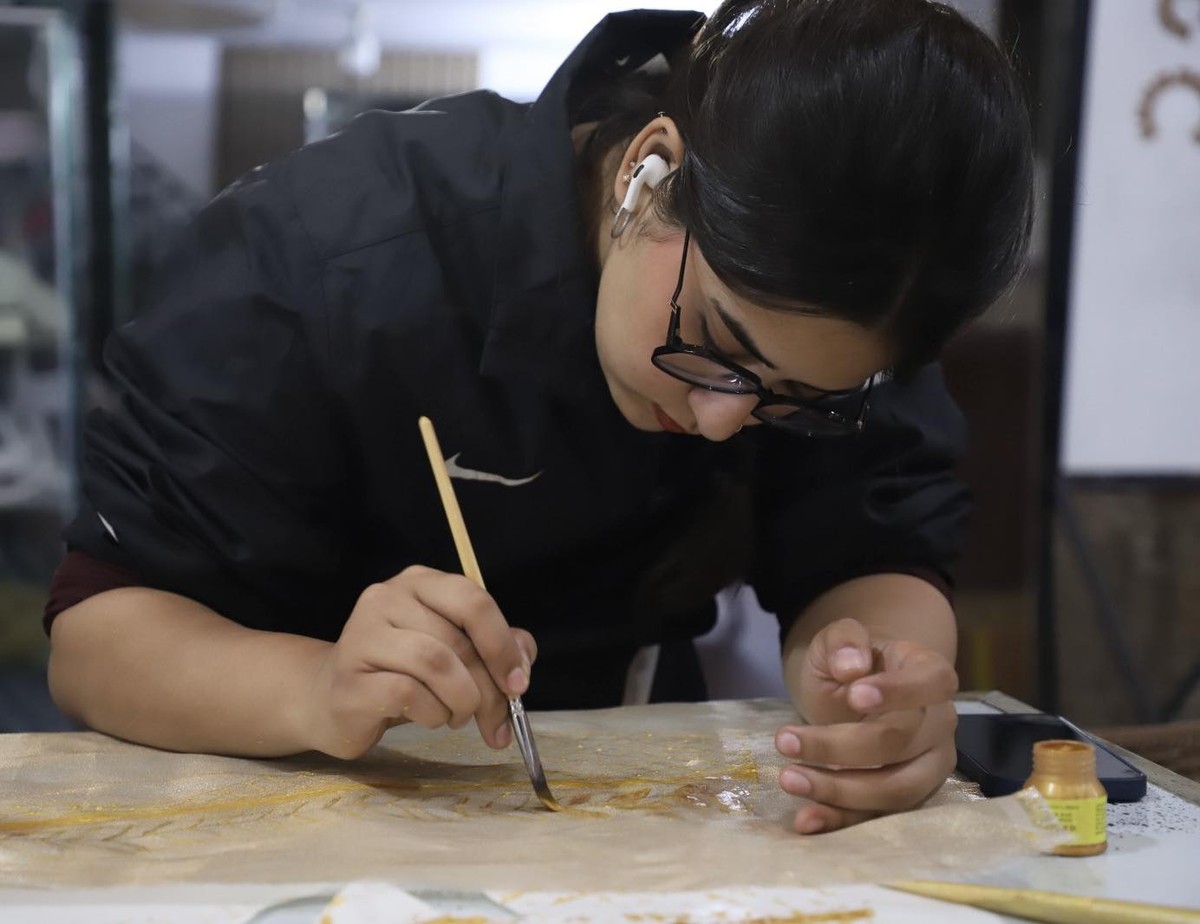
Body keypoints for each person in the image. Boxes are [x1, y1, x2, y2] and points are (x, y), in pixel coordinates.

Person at [44, 0, 1034, 837]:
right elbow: (96, 641)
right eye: (711, 339)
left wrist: (873, 688)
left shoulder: (864, 289)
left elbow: (874, 546)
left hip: (638, 801)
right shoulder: (324, 262)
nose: (722, 418)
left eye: (796, 398)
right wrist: (317, 688)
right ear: (648, 170)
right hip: (286, 796)